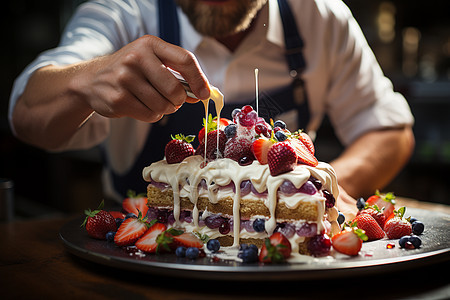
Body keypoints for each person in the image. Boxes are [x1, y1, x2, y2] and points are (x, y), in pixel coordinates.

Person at [9, 0, 414, 218]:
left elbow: (389, 129)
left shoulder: (321, 16)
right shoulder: (122, 12)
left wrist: (317, 191)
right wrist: (87, 79)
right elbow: (27, 116)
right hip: (149, 257)